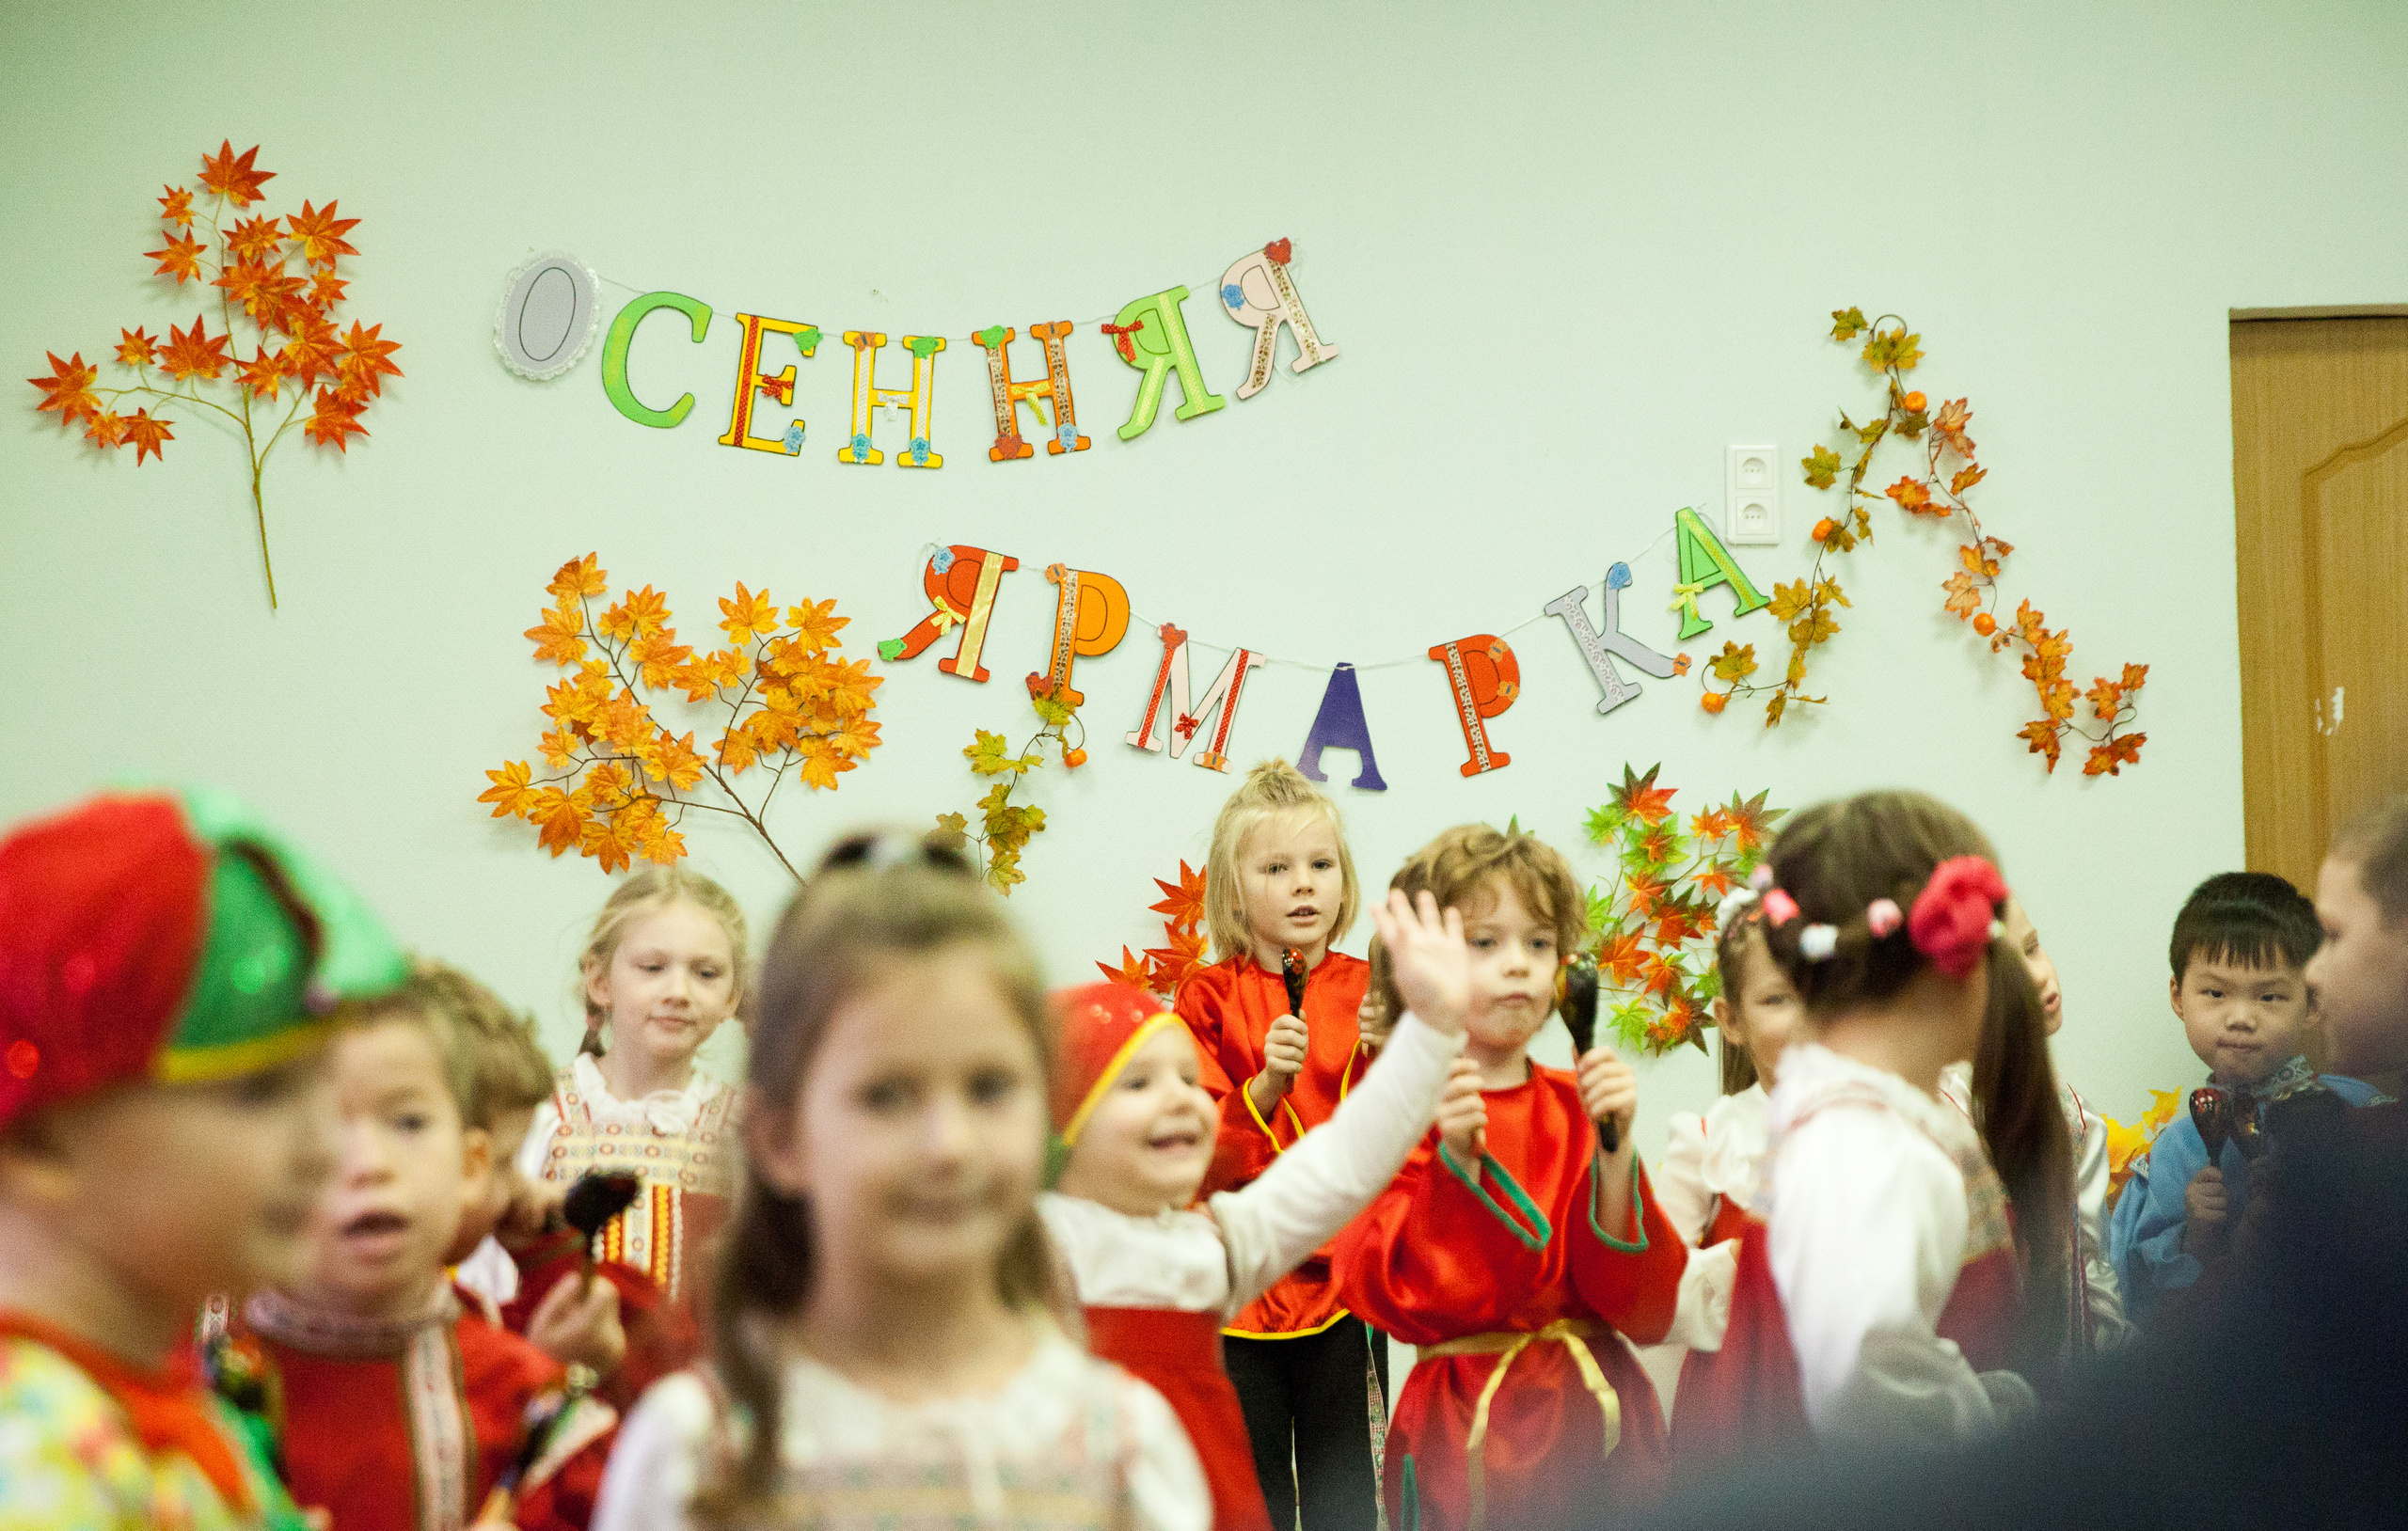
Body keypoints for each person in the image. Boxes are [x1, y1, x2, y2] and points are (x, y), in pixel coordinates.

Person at [591, 833, 1207, 1531]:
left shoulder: (1123, 1452)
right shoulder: (698, 1454)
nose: (948, 1146)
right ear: (782, 1139)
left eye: (989, 1088)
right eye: (885, 1095)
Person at [0, 788, 404, 1531]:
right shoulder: (31, 1465)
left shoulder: (151, 1407)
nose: (328, 1142)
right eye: (262, 1092)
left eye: (323, 1086)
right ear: (42, 1143)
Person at [1042, 885, 1470, 1531]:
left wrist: (1433, 1035)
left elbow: (1344, 1163)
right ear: (1061, 1120)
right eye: (1138, 1082)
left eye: (1189, 1079)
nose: (1183, 1099)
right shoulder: (1029, 1252)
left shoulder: (1206, 1250)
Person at [1672, 792, 2065, 1461]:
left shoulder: (1850, 1120)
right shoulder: (1868, 1148)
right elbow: (1867, 1387)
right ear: (1959, 964)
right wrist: (1988, 1417)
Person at [1336, 824, 1688, 1531]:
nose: (1519, 966)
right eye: (1485, 943)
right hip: (1463, 1430)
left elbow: (1643, 1309)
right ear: (1419, 966)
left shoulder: (1575, 1103)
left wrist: (1616, 1154)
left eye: (1538, 943)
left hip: (1596, 1419)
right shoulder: (1397, 1111)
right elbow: (1388, 1289)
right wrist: (1457, 1167)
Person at [241, 971, 615, 1531]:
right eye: (318, 1125)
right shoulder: (184, 1386)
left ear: (471, 1167)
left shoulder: (535, 1417)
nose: (370, 1162)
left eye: (408, 1121)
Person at [1175, 760, 1384, 1531]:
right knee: (1250, 1496)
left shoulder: (1372, 990)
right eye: (1278, 867)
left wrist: (1385, 1054)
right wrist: (1263, 1087)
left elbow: (1395, 1137)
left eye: (1320, 865)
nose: (1305, 885)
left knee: (1344, 1499)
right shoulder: (1207, 998)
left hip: (1342, 1293)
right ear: (1235, 891)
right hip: (1241, 1293)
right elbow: (1195, 1155)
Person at [2106, 871, 2385, 1323]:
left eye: (2270, 997)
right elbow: (2137, 1304)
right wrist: (2194, 1238)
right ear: (2178, 996)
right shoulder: (2171, 1157)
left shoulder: (2361, 1116)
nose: (2240, 1017)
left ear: (2313, 1003)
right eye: (2215, 992)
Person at [433, 962, 687, 1413]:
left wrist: (553, 1257)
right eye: (504, 1163)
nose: (517, 1189)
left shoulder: (449, 1309)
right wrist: (548, 1371)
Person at [518, 869, 746, 1335]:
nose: (679, 992)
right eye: (653, 968)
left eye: (705, 973)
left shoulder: (744, 1130)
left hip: (692, 1391)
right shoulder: (538, 1115)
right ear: (601, 982)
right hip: (551, 1375)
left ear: (731, 997)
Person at [1648, 892, 1798, 1432]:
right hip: (1738, 1409)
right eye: (1778, 999)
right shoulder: (1708, 1139)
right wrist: (1743, 1261)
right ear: (1731, 1021)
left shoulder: (1883, 1130)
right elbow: (1657, 1297)